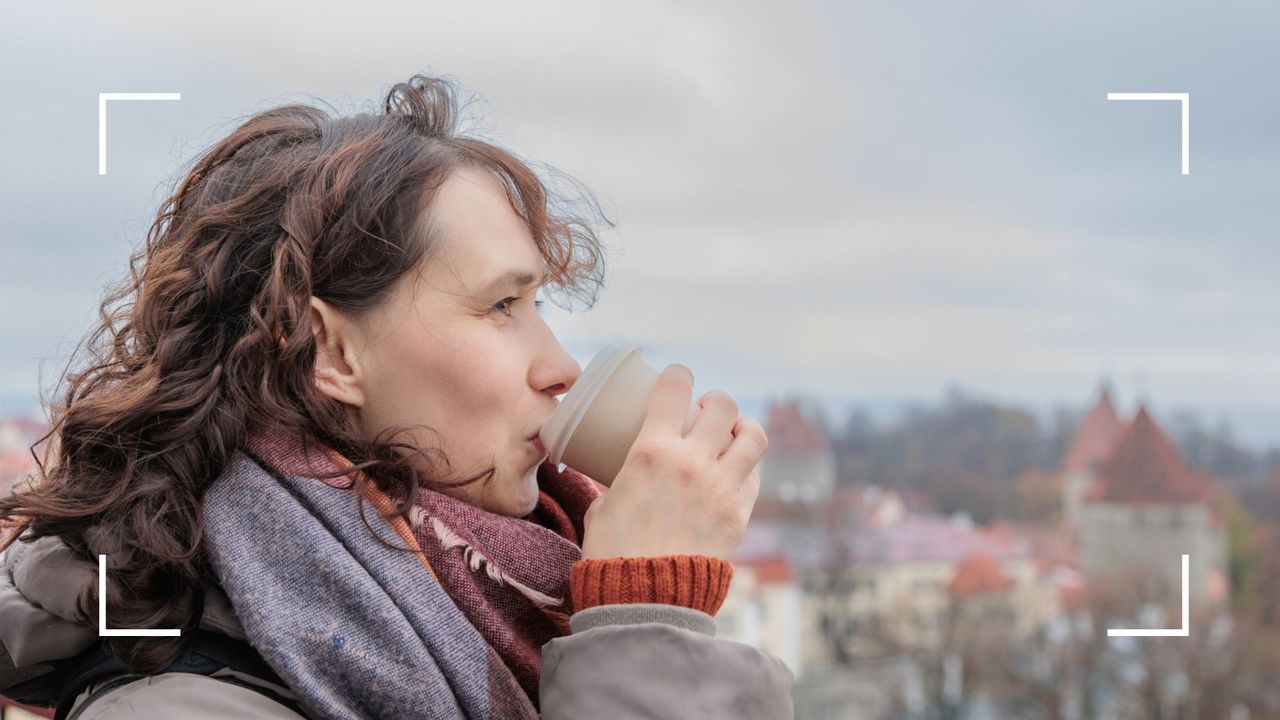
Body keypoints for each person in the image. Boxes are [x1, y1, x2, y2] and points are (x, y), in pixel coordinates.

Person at [0, 74, 793, 719]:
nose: (559, 367)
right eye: (501, 307)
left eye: (539, 305)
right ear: (332, 352)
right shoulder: (180, 705)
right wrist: (646, 624)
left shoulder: (524, 586)